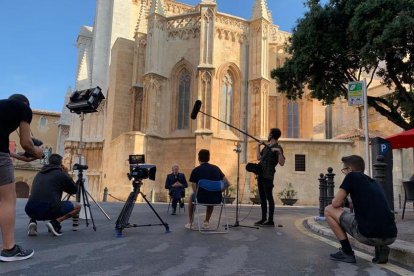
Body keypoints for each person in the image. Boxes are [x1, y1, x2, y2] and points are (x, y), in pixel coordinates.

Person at [325, 155, 397, 264]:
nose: (344, 173)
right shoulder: (374, 182)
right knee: (372, 217)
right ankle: (381, 247)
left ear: (350, 169)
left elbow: (336, 203)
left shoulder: (351, 176)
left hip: (367, 235)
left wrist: (342, 200)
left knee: (328, 209)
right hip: (391, 235)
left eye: (344, 170)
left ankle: (347, 252)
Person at [0, 94, 44, 262]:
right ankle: (9, 249)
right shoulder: (24, 108)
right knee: (7, 200)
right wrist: (37, 152)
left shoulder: (3, 108)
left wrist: (23, 158)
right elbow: (26, 143)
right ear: (25, 104)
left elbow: (5, 149)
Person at [25, 154, 80, 237]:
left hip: (30, 209)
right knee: (78, 206)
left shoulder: (39, 173)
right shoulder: (60, 174)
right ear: (60, 163)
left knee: (38, 198)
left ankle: (33, 222)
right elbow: (74, 190)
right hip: (49, 209)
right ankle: (55, 222)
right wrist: (66, 174)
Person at [185, 149, 228, 229]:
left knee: (192, 197)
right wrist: (219, 191)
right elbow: (227, 183)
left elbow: (194, 185)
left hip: (201, 198)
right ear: (209, 158)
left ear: (199, 158)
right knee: (212, 194)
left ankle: (190, 222)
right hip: (216, 199)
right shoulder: (216, 169)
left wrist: (197, 195)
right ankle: (206, 222)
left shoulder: (196, 170)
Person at [255, 128, 285, 227]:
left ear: (271, 135)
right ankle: (263, 218)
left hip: (268, 176)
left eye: (268, 133)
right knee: (262, 198)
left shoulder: (278, 147)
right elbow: (258, 158)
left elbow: (281, 163)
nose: (267, 135)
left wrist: (279, 152)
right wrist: (258, 146)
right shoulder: (266, 146)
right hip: (261, 175)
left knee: (269, 197)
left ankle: (270, 220)